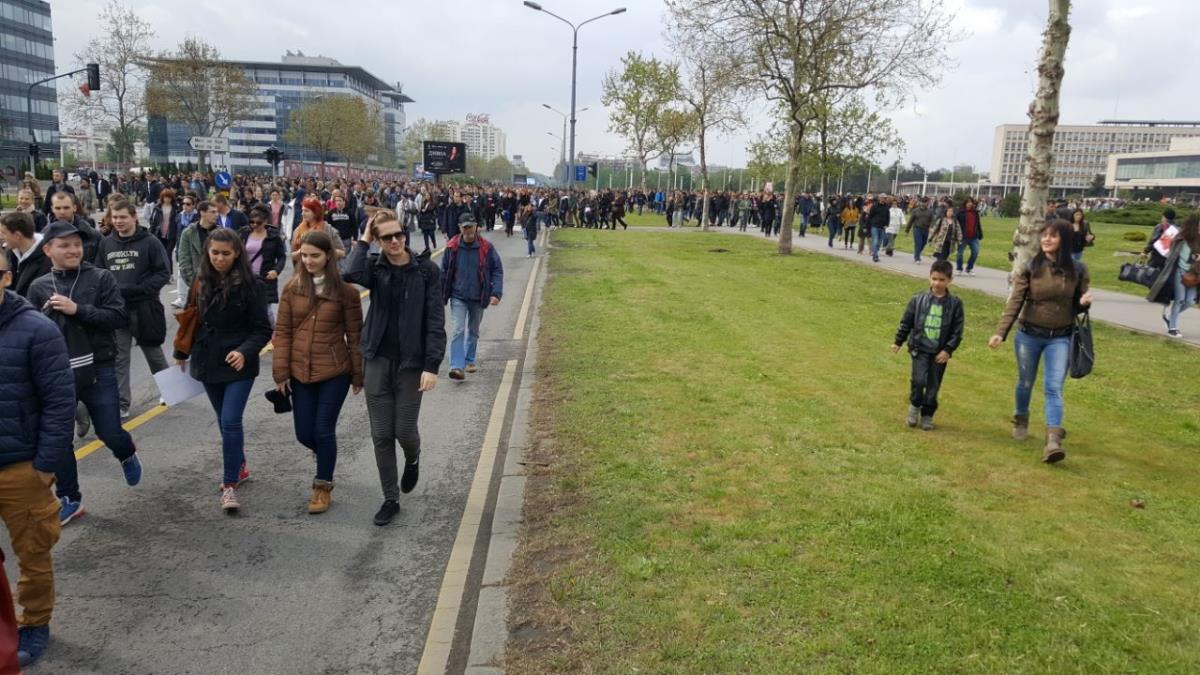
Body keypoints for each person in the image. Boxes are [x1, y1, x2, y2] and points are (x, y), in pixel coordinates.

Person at [28, 221, 145, 524]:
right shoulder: (39, 286)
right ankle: (70, 497)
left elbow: (118, 317)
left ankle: (126, 450)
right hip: (56, 376)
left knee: (108, 431)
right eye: (64, 245)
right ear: (48, 250)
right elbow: (28, 330)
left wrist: (76, 309)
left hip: (98, 369)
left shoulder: (101, 277)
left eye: (76, 244)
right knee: (59, 440)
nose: (73, 250)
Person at [343, 211, 445, 526]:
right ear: (379, 241)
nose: (395, 241)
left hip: (412, 365)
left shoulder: (426, 271)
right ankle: (390, 498)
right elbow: (349, 272)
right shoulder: (375, 268)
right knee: (381, 435)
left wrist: (432, 365)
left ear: (405, 234)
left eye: (398, 234)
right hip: (377, 360)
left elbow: (435, 320)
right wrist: (363, 239)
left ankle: (413, 458)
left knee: (403, 431)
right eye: (386, 237)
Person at [0, 251, 73, 668]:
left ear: (7, 278)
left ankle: (35, 622)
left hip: (20, 467)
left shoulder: (36, 330)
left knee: (32, 553)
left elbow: (60, 404)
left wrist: (43, 466)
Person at [173, 228, 272, 512]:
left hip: (238, 362)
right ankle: (239, 466)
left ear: (237, 253)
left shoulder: (253, 285)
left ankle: (229, 484)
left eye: (225, 254)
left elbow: (263, 329)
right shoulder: (200, 280)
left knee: (230, 421)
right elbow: (190, 317)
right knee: (222, 420)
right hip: (206, 360)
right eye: (214, 253)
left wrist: (244, 351)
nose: (219, 258)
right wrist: (181, 351)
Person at [987, 220, 1092, 464]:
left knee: (1054, 387)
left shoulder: (1078, 270)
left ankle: (1053, 440)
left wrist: (1084, 303)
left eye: (1052, 236)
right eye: (1044, 235)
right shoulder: (1030, 267)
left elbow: (1076, 305)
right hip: (1029, 334)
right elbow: (1016, 301)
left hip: (1061, 337)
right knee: (1025, 381)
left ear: (1063, 240)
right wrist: (1000, 332)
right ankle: (1021, 418)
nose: (1046, 239)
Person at [273, 230, 363, 514]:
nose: (309, 261)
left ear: (328, 257)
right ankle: (325, 453)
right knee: (304, 433)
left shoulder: (346, 292)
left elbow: (355, 336)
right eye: (304, 255)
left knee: (324, 430)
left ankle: (322, 486)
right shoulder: (291, 288)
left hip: (334, 371)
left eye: (315, 256)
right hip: (300, 372)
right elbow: (283, 331)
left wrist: (358, 375)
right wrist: (281, 372)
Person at [96, 199, 172, 417]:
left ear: (134, 217)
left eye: (123, 217)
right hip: (117, 310)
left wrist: (138, 289)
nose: (118, 221)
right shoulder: (106, 243)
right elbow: (99, 273)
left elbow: (163, 273)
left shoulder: (150, 242)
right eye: (115, 217)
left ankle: (169, 390)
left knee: (153, 352)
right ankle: (122, 403)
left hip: (145, 307)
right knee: (119, 356)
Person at [891, 260, 965, 431]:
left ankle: (928, 414)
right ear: (929, 278)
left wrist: (948, 350)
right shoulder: (918, 300)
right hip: (920, 349)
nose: (937, 283)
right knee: (918, 381)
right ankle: (915, 406)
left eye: (941, 280)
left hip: (939, 354)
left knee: (933, 386)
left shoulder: (955, 304)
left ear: (949, 280)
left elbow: (957, 331)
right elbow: (906, 322)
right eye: (934, 279)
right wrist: (898, 341)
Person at [441, 214, 503, 380]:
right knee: (457, 330)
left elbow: (497, 270)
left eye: (471, 226)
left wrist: (496, 293)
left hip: (479, 296)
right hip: (458, 296)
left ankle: (469, 360)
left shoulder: (486, 248)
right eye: (465, 227)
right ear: (460, 228)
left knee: (473, 331)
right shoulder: (452, 247)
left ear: (476, 227)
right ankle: (456, 366)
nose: (468, 230)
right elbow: (444, 272)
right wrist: (439, 296)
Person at [1149, 214, 1200, 338]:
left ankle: (1169, 316)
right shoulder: (1181, 237)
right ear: (1194, 225)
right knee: (1180, 299)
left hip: (1193, 275)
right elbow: (1169, 250)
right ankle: (1173, 328)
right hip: (1179, 271)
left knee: (1190, 301)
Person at [238, 204, 287, 323]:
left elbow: (281, 257)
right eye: (252, 222)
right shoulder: (243, 233)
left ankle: (270, 335)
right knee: (245, 307)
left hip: (265, 278)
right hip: (246, 277)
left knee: (266, 310)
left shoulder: (274, 237)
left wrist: (276, 270)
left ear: (265, 221)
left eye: (258, 223)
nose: (254, 225)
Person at [2, 211, 50, 298]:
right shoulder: (10, 252)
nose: (1, 237)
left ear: (17, 235)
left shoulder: (48, 259)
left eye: (4, 233)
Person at [147, 188, 181, 273]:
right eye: (165, 197)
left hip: (171, 235)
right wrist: (152, 232)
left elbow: (178, 222)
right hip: (159, 233)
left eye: (169, 197)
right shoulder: (157, 207)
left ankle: (170, 273)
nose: (167, 199)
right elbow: (152, 220)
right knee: (161, 254)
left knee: (168, 253)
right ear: (162, 197)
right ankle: (162, 272)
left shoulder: (176, 208)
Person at [955, 198, 983, 275]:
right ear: (965, 203)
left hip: (973, 237)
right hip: (963, 237)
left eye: (971, 202)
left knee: (975, 252)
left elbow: (978, 224)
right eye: (968, 202)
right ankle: (959, 268)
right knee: (960, 253)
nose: (969, 204)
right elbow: (955, 225)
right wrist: (956, 235)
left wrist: (980, 234)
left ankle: (969, 268)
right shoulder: (960, 213)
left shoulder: (975, 213)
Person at [905, 197, 934, 264]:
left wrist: (931, 227)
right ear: (920, 202)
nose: (924, 203)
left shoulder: (930, 211)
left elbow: (933, 220)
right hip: (917, 229)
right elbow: (910, 221)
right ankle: (917, 258)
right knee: (918, 243)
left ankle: (916, 253)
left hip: (926, 229)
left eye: (925, 202)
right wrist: (907, 230)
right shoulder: (915, 211)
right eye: (922, 202)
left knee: (923, 243)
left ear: (927, 203)